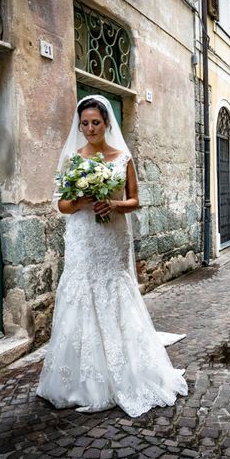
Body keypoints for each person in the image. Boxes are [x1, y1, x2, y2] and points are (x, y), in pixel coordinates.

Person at [37, 95, 188, 416]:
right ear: (80, 127)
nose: (90, 128)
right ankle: (80, 381)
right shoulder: (73, 160)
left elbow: (135, 200)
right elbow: (61, 205)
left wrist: (114, 204)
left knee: (114, 291)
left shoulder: (122, 158)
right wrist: (81, 200)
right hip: (82, 238)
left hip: (111, 238)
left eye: (96, 122)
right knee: (80, 293)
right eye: (85, 124)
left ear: (106, 124)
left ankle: (127, 370)